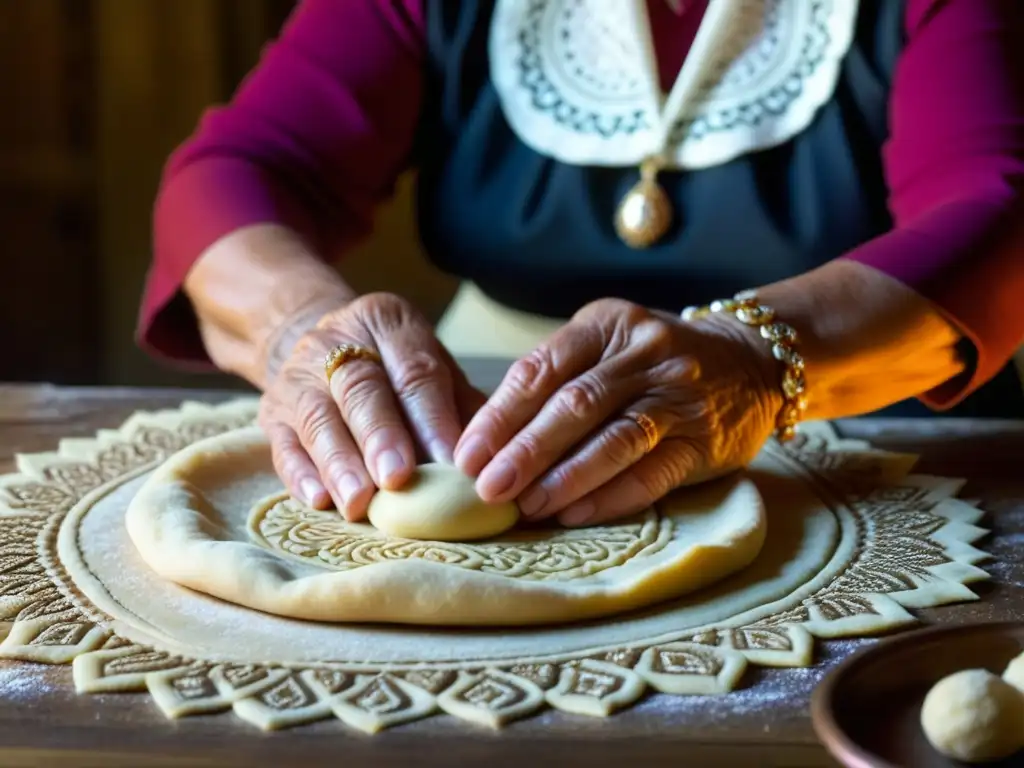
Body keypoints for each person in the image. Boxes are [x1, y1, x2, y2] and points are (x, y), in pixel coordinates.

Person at [137, 0, 1024, 530]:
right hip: (479, 410)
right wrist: (302, 327)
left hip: (856, 410)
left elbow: (995, 208)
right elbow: (239, 173)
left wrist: (755, 360)